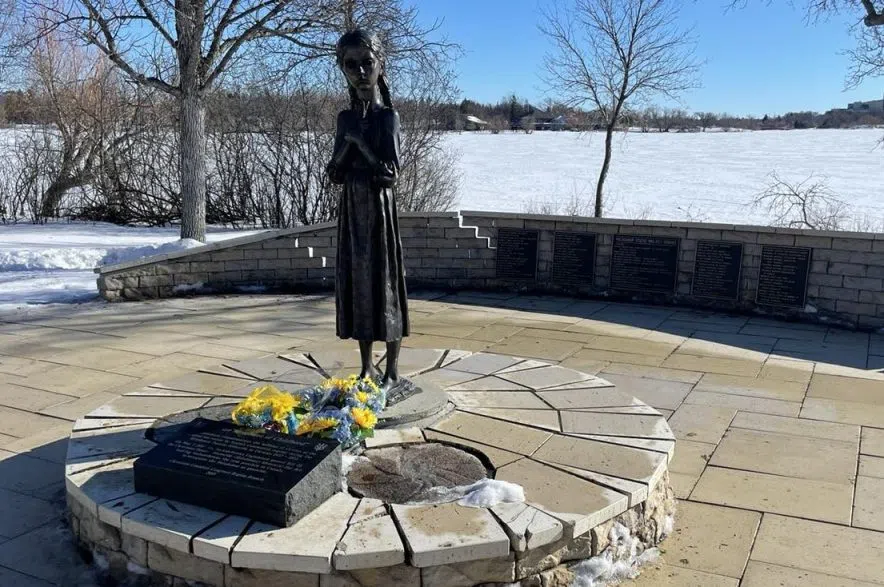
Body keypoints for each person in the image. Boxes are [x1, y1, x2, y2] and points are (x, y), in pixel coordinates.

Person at [326, 29, 410, 396]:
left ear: (381, 65)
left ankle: (391, 371)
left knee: (384, 283)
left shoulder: (387, 117)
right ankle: (365, 368)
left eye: (367, 63)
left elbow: (390, 174)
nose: (361, 71)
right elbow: (334, 173)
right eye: (351, 65)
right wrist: (347, 150)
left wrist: (361, 146)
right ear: (342, 69)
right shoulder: (345, 119)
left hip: (378, 210)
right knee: (360, 284)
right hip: (352, 211)